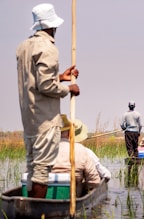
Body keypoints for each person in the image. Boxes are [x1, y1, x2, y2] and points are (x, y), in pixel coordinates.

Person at [16, 3, 80, 198]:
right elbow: (46, 86)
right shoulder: (48, 48)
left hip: (29, 119)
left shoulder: (24, 47)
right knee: (42, 171)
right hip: (44, 120)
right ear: (52, 26)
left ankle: (27, 210)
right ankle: (37, 212)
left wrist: (60, 77)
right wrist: (69, 88)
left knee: (32, 167)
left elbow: (34, 80)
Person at [52, 115, 101, 197]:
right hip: (73, 197)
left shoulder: (43, 150)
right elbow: (94, 182)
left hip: (46, 196)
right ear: (69, 133)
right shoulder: (80, 149)